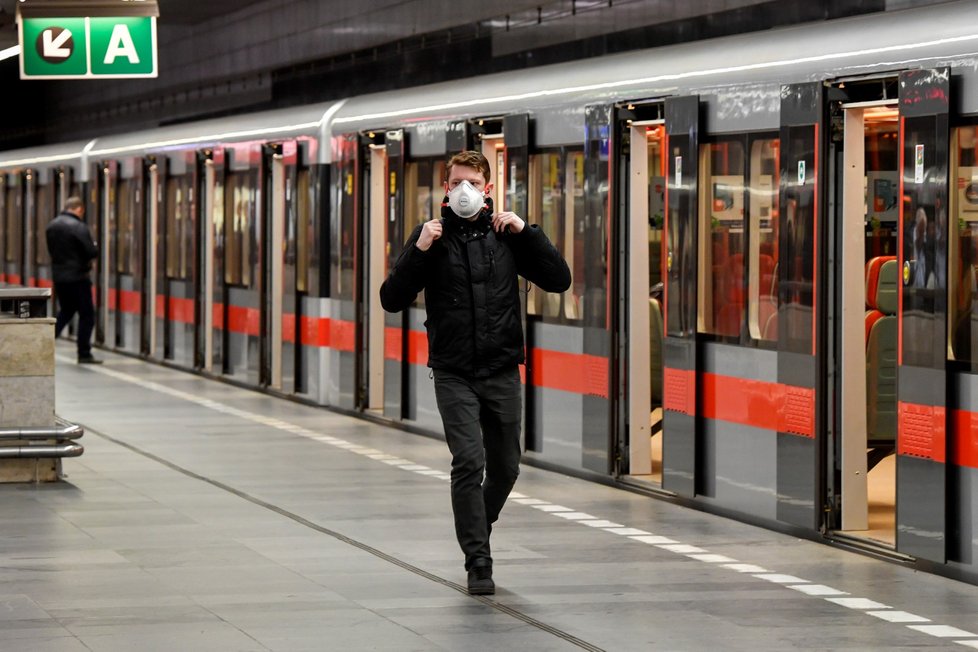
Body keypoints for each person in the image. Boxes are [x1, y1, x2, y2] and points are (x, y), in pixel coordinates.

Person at [380, 151, 571, 595]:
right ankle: (478, 561)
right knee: (469, 461)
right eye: (456, 182)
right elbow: (392, 298)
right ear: (446, 188)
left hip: (502, 367)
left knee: (506, 467)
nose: (464, 190)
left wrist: (530, 233)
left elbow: (559, 280)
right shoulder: (432, 238)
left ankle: (475, 526)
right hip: (453, 371)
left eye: (472, 182)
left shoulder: (508, 236)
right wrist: (420, 248)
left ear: (488, 189)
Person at [45, 196, 101, 364]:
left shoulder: (52, 226)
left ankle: (45, 341)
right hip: (78, 277)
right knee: (87, 315)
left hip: (59, 277)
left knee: (66, 310)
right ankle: (84, 353)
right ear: (79, 209)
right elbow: (91, 251)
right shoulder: (78, 226)